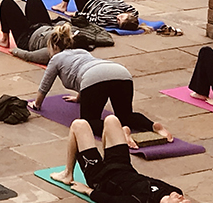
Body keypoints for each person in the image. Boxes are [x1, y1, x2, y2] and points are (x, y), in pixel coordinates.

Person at [51, 115, 205, 203]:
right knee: (112, 120)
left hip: (100, 177)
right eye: (184, 198)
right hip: (123, 166)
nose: (180, 196)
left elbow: (111, 201)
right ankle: (109, 151)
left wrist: (87, 190)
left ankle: (67, 173)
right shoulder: (174, 191)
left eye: (179, 202)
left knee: (79, 125)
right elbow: (146, 179)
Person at [31, 25, 174, 146]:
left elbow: (45, 84)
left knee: (88, 123)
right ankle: (153, 126)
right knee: (125, 115)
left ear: (54, 46)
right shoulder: (82, 52)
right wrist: (80, 98)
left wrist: (37, 104)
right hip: (121, 74)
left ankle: (120, 131)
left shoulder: (56, 58)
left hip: (94, 78)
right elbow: (86, 71)